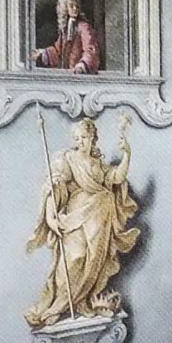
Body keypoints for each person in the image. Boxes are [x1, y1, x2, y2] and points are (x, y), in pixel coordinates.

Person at [25, 118, 139, 329]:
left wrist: (127, 155)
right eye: (77, 138)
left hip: (99, 215)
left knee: (94, 259)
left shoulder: (99, 164)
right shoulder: (69, 159)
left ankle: (81, 301)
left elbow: (116, 177)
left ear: (93, 138)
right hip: (76, 216)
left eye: (84, 137)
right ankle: (57, 306)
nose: (80, 142)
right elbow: (55, 187)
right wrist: (50, 216)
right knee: (73, 259)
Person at [32, 0, 101, 74]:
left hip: (79, 72)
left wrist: (83, 64)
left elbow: (90, 48)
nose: (75, 8)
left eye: (77, 6)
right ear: (65, 8)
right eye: (71, 6)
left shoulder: (84, 27)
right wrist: (43, 53)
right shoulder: (65, 29)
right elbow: (58, 52)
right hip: (68, 72)